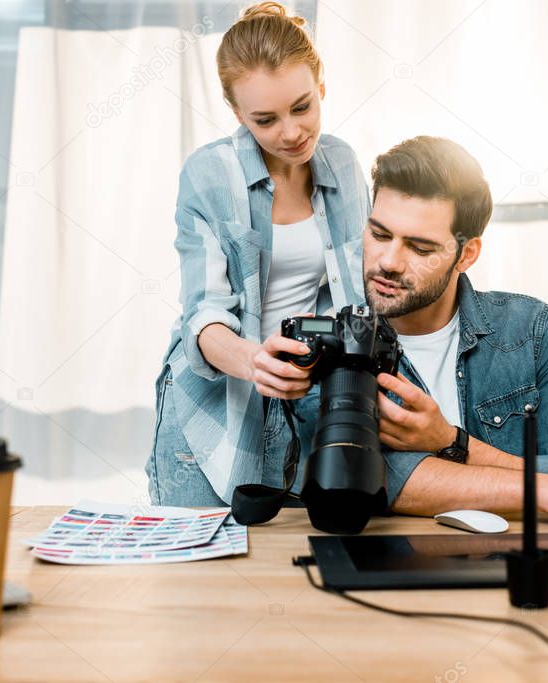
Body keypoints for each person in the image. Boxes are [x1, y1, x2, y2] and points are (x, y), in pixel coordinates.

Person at [296, 136, 548, 523]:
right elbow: (366, 480)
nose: (388, 262)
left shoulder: (539, 334)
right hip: (387, 566)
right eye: (380, 234)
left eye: (420, 248)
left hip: (526, 563)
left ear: (466, 254)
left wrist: (450, 443)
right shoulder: (330, 341)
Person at [146, 2, 370, 507]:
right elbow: (202, 315)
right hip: (216, 404)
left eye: (302, 106)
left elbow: (357, 297)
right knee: (199, 575)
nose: (291, 133)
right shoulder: (208, 175)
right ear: (236, 114)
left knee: (290, 571)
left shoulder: (343, 163)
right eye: (265, 120)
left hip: (308, 400)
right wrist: (255, 361)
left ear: (322, 86)